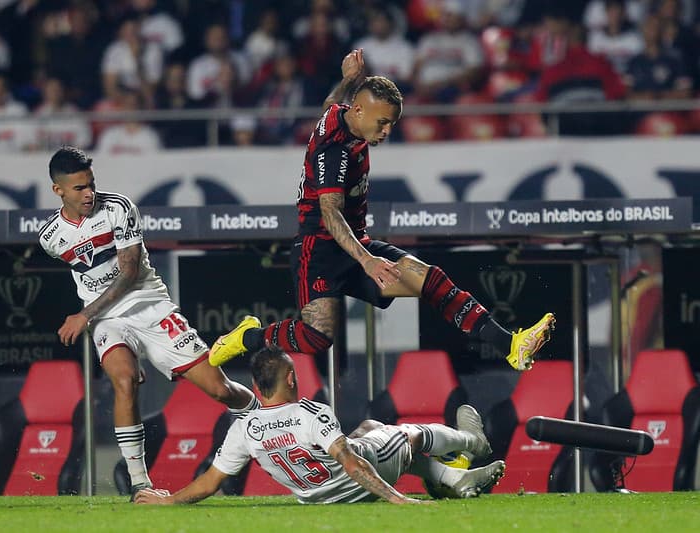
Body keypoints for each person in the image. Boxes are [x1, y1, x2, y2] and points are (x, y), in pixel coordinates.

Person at [209, 49, 555, 373]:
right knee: (317, 337)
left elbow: (331, 102)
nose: (388, 131)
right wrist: (368, 260)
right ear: (359, 112)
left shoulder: (338, 115)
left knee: (429, 279)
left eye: (392, 123)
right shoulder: (336, 154)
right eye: (383, 123)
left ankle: (510, 345)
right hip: (320, 250)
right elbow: (331, 214)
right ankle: (246, 337)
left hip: (354, 241)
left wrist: (347, 80)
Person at [39, 147, 260, 499]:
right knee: (124, 381)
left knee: (220, 390)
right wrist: (93, 316)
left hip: (150, 307)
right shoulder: (50, 237)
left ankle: (264, 417)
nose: (89, 193)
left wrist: (84, 314)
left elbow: (128, 273)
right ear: (58, 190)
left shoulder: (118, 208)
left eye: (91, 184)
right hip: (107, 320)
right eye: (80, 188)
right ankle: (140, 482)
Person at [135, 346, 506, 505]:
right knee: (404, 435)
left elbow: (209, 483)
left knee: (367, 426)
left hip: (317, 496)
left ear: (255, 388)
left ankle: (454, 480)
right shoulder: (311, 413)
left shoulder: (244, 429)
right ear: (292, 379)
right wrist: (400, 499)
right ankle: (472, 441)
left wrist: (168, 501)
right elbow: (352, 463)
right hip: (361, 478)